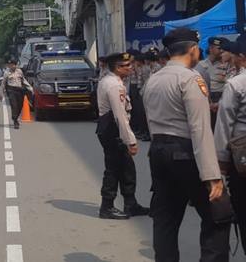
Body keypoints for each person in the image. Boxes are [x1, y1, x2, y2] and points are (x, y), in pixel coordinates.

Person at [142, 28, 230, 261]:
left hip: (159, 151)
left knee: (165, 219)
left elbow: (150, 120)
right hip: (185, 151)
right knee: (217, 215)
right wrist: (212, 176)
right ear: (192, 50)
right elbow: (200, 129)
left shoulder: (154, 78)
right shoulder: (190, 78)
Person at [95, 52, 149, 219]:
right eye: (126, 66)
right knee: (114, 169)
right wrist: (130, 141)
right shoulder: (114, 85)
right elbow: (120, 116)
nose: (130, 68)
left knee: (127, 169)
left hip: (110, 127)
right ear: (118, 68)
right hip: (113, 129)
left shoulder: (111, 80)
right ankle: (107, 207)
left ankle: (130, 204)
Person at [214, 34, 246, 247]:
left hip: (242, 158)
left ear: (241, 56)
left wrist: (221, 161)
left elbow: (224, 124)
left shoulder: (236, 84)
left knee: (243, 208)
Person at [2, 59, 32, 129]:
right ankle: (15, 121)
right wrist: (1, 93)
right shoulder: (7, 73)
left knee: (20, 105)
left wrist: (30, 87)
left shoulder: (19, 71)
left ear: (16, 65)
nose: (11, 66)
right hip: (11, 90)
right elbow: (3, 83)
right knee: (14, 105)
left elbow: (23, 80)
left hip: (19, 90)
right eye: (10, 65)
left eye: (13, 65)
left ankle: (15, 117)